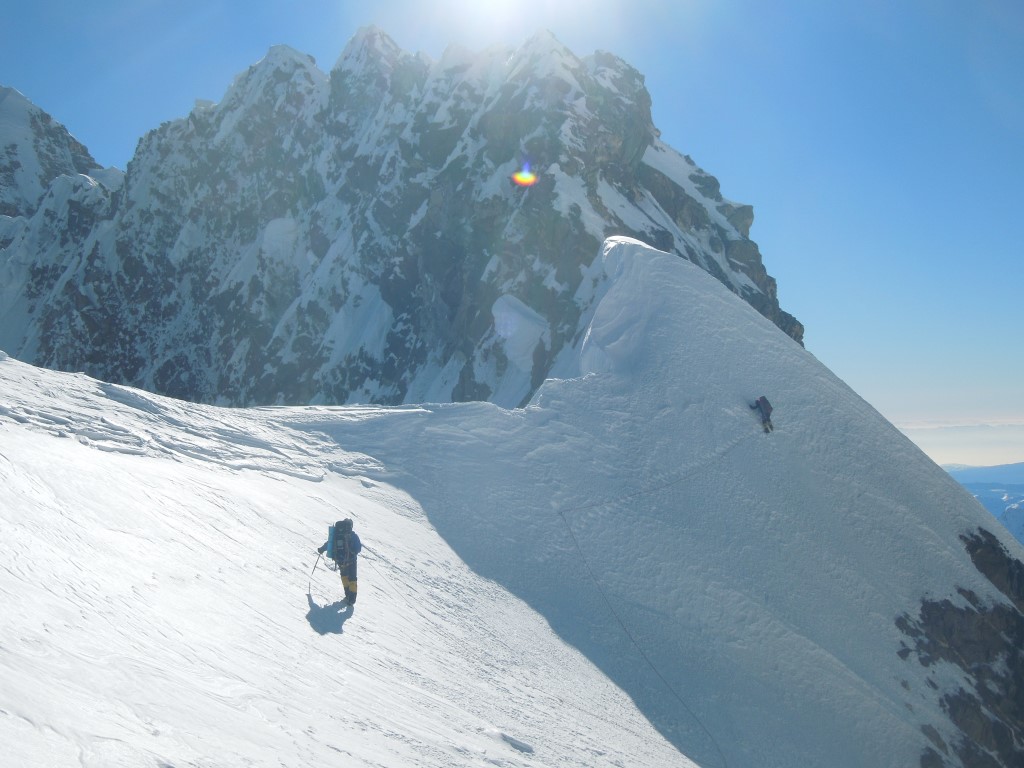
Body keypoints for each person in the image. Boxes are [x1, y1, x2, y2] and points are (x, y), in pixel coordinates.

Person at [317, 518, 362, 606]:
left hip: (340, 561)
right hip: (352, 561)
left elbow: (329, 543)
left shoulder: (337, 534)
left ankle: (347, 595)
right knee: (352, 579)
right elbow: (358, 548)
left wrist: (322, 549)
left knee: (344, 576)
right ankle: (351, 600)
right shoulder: (353, 535)